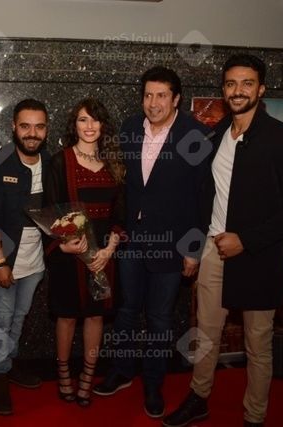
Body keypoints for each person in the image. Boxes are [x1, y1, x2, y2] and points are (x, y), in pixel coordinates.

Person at [163, 54, 283, 427]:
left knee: (258, 343)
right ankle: (199, 398)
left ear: (261, 89)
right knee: (206, 335)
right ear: (223, 89)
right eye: (231, 84)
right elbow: (205, 195)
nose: (238, 91)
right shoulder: (215, 135)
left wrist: (246, 239)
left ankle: (254, 416)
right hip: (214, 251)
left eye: (247, 83)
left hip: (260, 255)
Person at [93, 67, 211, 418]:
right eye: (148, 95)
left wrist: (193, 250)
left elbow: (203, 197)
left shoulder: (194, 135)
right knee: (126, 311)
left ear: (176, 99)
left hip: (172, 245)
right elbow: (121, 183)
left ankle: (154, 384)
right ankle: (123, 370)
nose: (153, 102)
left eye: (161, 95)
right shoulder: (130, 128)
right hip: (131, 240)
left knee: (159, 318)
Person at [44, 98, 124, 408]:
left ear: (103, 125)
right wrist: (64, 243)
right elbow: (51, 210)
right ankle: (63, 373)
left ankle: (88, 376)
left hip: (104, 257)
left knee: (95, 316)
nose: (89, 126)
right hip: (69, 255)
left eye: (95, 119)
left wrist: (109, 250)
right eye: (82, 119)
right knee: (66, 317)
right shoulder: (59, 162)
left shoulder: (115, 162)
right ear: (74, 125)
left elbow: (121, 212)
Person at [0, 99, 50, 415]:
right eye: (25, 126)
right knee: (0, 320)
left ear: (46, 129)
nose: (32, 133)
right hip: (2, 260)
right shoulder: (0, 160)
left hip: (34, 263)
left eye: (39, 127)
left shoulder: (51, 162)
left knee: (19, 318)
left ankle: (7, 364)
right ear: (13, 127)